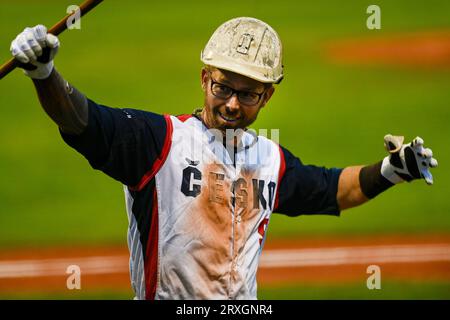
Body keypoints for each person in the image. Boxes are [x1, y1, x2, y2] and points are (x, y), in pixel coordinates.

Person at [10, 17, 437, 300]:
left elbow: (328, 189)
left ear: (267, 95)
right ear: (204, 78)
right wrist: (45, 75)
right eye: (222, 88)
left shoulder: (269, 159)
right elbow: (82, 121)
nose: (232, 104)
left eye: (248, 94)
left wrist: (391, 171)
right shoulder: (156, 143)